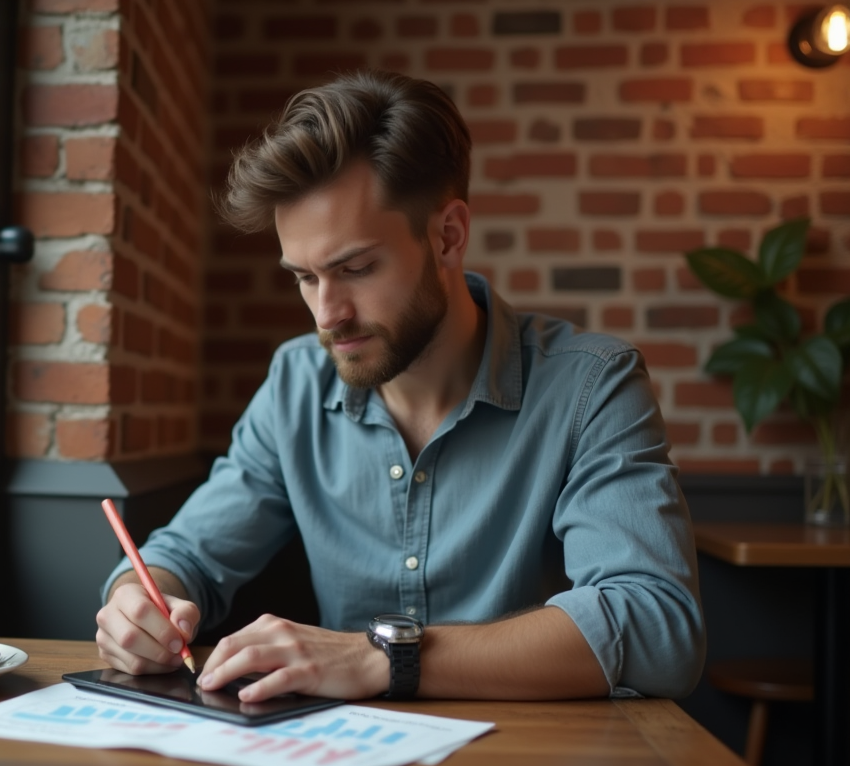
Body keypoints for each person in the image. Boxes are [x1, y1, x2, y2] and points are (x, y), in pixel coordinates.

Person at [96, 70, 705, 703]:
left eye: (355, 268)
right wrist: (136, 602)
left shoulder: (592, 386)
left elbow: (659, 630)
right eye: (304, 277)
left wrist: (385, 657)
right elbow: (187, 554)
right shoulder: (295, 385)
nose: (326, 315)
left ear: (448, 236)